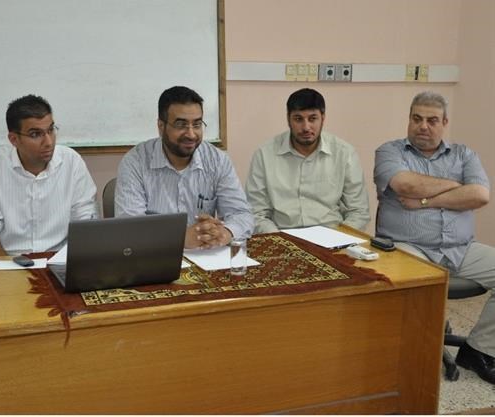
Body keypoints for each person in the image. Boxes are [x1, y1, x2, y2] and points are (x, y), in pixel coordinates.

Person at [374, 91, 494, 384]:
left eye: (431, 120)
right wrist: (456, 186)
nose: (423, 126)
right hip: (408, 247)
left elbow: (480, 195)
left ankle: (479, 349)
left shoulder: (465, 155)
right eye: (417, 119)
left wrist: (427, 200)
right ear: (409, 119)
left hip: (460, 249)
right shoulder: (390, 152)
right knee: (418, 283)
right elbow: (406, 185)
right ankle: (413, 358)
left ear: (444, 123)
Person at [115, 86, 253, 249]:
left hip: (206, 256)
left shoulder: (217, 160)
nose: (191, 134)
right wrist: (180, 238)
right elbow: (130, 228)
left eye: (197, 124)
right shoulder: (135, 162)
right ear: (161, 126)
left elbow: (241, 214)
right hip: (155, 255)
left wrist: (224, 233)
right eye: (181, 125)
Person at [0, 94, 98, 256]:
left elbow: (86, 225)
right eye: (36, 134)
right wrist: (10, 268)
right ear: (14, 139)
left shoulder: (71, 161)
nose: (48, 142)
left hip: (61, 259)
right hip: (11, 260)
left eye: (50, 130)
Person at [245, 88, 370, 233]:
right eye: (298, 119)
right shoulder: (264, 154)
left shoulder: (344, 153)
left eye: (312, 119)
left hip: (332, 236)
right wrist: (279, 240)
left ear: (323, 118)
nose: (306, 127)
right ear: (288, 119)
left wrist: (338, 238)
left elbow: (358, 212)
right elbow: (256, 212)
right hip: (282, 235)